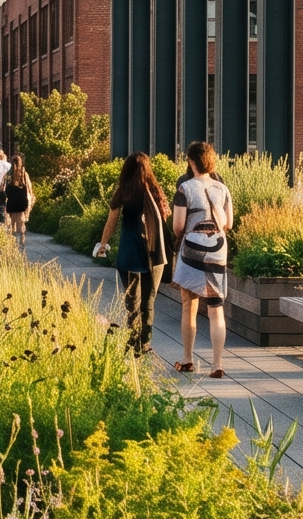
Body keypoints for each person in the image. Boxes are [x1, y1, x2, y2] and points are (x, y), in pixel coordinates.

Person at [169, 140, 234, 377]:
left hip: (192, 248)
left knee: (189, 306)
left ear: (191, 160)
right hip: (218, 247)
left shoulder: (184, 189)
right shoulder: (222, 189)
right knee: (216, 308)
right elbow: (228, 223)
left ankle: (188, 360)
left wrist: (185, 234)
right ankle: (217, 364)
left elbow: (177, 226)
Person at [93, 153, 169, 354]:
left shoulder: (123, 192)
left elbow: (112, 221)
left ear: (125, 171)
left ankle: (133, 342)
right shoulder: (154, 191)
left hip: (129, 254)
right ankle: (144, 343)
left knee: (132, 303)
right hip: (154, 254)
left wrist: (103, 244)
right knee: (148, 302)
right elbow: (165, 219)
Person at [1, 153, 34, 237]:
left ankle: (13, 236)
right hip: (22, 198)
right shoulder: (24, 173)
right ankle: (22, 237)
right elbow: (29, 186)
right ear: (21, 162)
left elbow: (2, 186)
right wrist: (31, 195)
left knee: (12, 220)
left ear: (11, 162)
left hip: (11, 198)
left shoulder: (8, 174)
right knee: (21, 219)